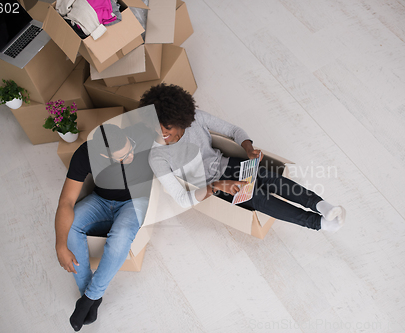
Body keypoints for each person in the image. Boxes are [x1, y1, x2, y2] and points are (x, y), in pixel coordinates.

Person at [140, 83, 346, 233]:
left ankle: (321, 206)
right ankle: (319, 224)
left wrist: (248, 148)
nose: (162, 132)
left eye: (168, 126)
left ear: (181, 119)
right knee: (260, 199)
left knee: (268, 177)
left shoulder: (196, 119)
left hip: (229, 165)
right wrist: (218, 186)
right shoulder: (157, 158)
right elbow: (183, 200)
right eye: (156, 125)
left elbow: (233, 130)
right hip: (214, 188)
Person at [54, 119, 156, 331]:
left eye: (130, 150)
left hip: (135, 200)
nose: (130, 157)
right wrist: (60, 246)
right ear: (103, 156)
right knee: (70, 227)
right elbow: (66, 202)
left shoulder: (141, 134)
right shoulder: (85, 154)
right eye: (123, 157)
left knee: (119, 238)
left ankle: (89, 298)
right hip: (100, 200)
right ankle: (90, 298)